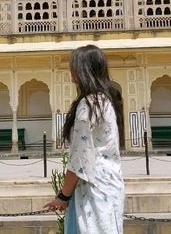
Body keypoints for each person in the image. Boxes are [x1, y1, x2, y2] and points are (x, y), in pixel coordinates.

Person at [44, 44, 125, 233]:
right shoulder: (105, 101)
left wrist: (63, 196)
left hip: (92, 191)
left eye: (74, 64)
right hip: (111, 186)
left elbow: (80, 160)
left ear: (85, 69)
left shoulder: (87, 105)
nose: (70, 69)